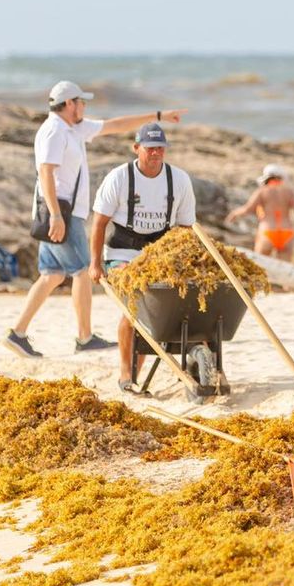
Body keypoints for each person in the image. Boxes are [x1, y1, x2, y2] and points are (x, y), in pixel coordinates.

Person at [2, 80, 187, 359]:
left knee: (52, 275)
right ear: (68, 104)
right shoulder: (54, 130)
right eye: (81, 102)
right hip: (61, 213)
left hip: (62, 213)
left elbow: (115, 125)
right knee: (81, 271)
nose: (85, 106)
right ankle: (85, 337)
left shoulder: (74, 128)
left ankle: (17, 334)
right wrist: (55, 215)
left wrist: (158, 117)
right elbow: (45, 173)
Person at [88, 123, 197, 394]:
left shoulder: (179, 180)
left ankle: (200, 363)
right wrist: (95, 264)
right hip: (122, 253)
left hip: (159, 253)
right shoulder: (119, 177)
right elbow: (99, 223)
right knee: (135, 306)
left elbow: (185, 229)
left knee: (177, 305)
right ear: (137, 148)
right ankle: (127, 374)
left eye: (160, 147)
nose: (156, 153)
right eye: (150, 148)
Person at [224, 164, 294, 260]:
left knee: (259, 266)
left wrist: (233, 214)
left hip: (267, 230)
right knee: (284, 268)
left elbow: (248, 209)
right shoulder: (289, 192)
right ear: (281, 177)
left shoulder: (262, 191)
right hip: (286, 232)